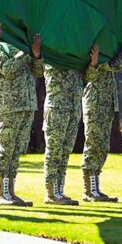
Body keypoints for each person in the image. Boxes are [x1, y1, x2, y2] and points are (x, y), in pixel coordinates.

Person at [0, 31, 43, 206]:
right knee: (6, 149)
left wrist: (36, 54)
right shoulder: (0, 46)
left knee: (17, 150)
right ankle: (1, 193)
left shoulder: (26, 45)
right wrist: (26, 53)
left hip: (27, 103)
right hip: (9, 105)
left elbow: (39, 72)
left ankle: (11, 191)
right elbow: (4, 70)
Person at [82, 22, 122, 202]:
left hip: (106, 104)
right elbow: (93, 73)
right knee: (93, 146)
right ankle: (89, 190)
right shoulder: (91, 50)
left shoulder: (107, 56)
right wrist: (95, 62)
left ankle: (96, 188)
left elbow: (117, 64)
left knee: (102, 147)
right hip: (94, 104)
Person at [42, 56, 85, 205]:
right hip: (57, 108)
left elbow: (86, 78)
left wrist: (91, 64)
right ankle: (51, 193)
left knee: (65, 151)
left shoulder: (76, 57)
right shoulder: (52, 54)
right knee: (54, 151)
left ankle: (60, 190)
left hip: (74, 108)